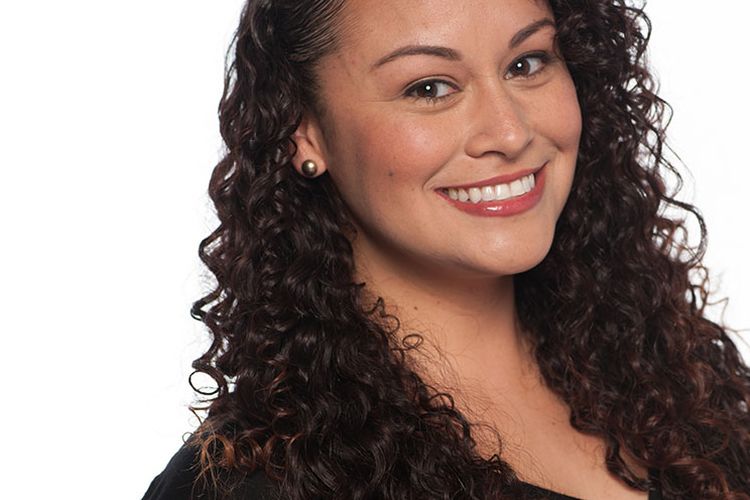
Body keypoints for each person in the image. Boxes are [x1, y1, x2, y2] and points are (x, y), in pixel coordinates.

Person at [143, 0, 750, 498]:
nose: (510, 132)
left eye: (527, 63)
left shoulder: (682, 381)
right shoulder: (254, 483)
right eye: (429, 87)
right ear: (304, 129)